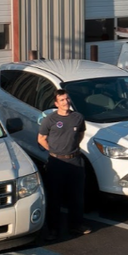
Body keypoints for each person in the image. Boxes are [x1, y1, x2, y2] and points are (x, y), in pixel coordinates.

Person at [38, 89, 90, 240]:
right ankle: (53, 229)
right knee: (55, 197)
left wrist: (71, 150)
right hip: (57, 163)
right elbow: (41, 138)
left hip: (75, 161)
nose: (66, 102)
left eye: (67, 99)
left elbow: (80, 134)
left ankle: (76, 225)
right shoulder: (50, 119)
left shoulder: (78, 117)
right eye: (62, 100)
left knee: (77, 197)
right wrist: (54, 151)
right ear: (56, 103)